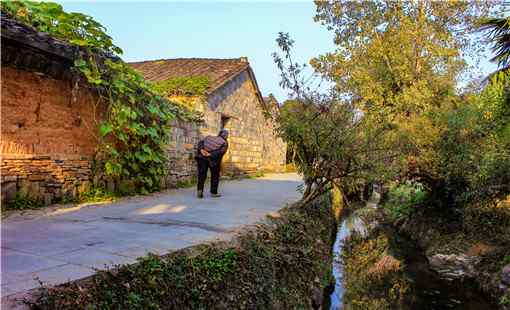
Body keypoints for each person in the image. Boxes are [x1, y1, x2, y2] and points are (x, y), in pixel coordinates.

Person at [195, 129, 229, 198]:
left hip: (202, 158)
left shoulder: (209, 137)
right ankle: (213, 193)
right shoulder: (225, 143)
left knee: (202, 175)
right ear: (226, 136)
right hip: (214, 161)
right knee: (215, 176)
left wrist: (201, 150)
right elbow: (221, 152)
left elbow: (201, 143)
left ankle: (200, 190)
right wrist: (210, 154)